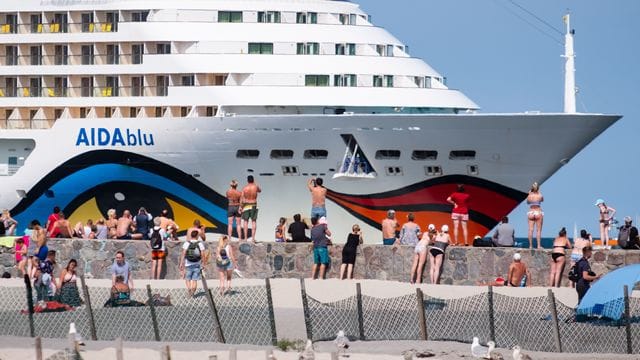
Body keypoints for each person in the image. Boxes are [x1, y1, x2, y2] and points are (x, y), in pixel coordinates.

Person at [180, 230, 207, 297]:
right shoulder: (200, 244)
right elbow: (203, 254)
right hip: (197, 264)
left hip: (188, 264)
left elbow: (183, 254)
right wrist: (203, 263)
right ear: (197, 236)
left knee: (187, 279)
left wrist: (181, 263)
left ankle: (189, 290)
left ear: (191, 235)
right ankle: (192, 292)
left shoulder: (186, 243)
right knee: (194, 280)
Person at [240, 175, 261, 242]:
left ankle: (245, 238)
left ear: (247, 180)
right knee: (253, 221)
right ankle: (253, 238)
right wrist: (255, 184)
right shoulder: (255, 186)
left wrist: (240, 206)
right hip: (253, 204)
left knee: (245, 221)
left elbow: (241, 198)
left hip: (246, 205)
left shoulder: (244, 188)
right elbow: (260, 190)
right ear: (253, 180)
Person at [526, 182, 544, 249]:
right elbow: (542, 200)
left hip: (531, 212)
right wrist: (538, 192)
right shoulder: (540, 195)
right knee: (538, 230)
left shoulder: (529, 195)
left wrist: (529, 193)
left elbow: (527, 202)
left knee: (530, 230)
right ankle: (538, 246)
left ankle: (530, 246)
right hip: (538, 212)